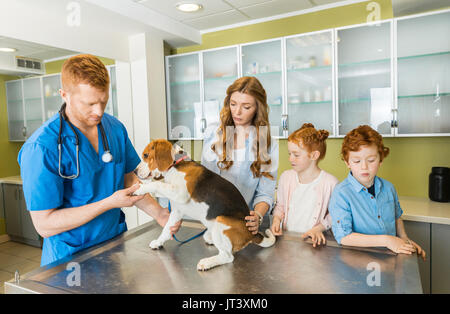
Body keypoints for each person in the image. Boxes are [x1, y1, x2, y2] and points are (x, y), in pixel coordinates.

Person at [18, 54, 178, 266]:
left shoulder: (114, 128)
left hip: (114, 246)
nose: (99, 111)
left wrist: (160, 213)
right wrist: (108, 203)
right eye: (90, 103)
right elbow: (44, 224)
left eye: (103, 101)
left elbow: (128, 180)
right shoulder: (41, 148)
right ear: (64, 95)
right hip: (70, 259)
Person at [328, 125, 426, 259]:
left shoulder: (389, 188)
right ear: (347, 163)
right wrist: (387, 240)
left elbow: (397, 216)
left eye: (371, 160)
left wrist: (404, 239)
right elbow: (345, 237)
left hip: (390, 256)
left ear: (380, 160)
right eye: (356, 161)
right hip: (359, 260)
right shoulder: (341, 193)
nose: (364, 167)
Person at [201, 76, 278, 234]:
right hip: (212, 223)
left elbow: (265, 192)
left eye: (246, 107)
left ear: (258, 108)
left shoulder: (267, 143)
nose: (237, 112)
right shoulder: (212, 135)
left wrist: (257, 215)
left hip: (243, 228)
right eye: (233, 104)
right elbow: (204, 182)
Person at [271, 123, 339, 247]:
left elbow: (335, 214)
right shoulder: (286, 177)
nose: (291, 159)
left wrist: (319, 228)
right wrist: (276, 220)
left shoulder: (330, 183)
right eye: (289, 154)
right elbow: (280, 205)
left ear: (314, 155)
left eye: (296, 155)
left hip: (314, 243)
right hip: (289, 241)